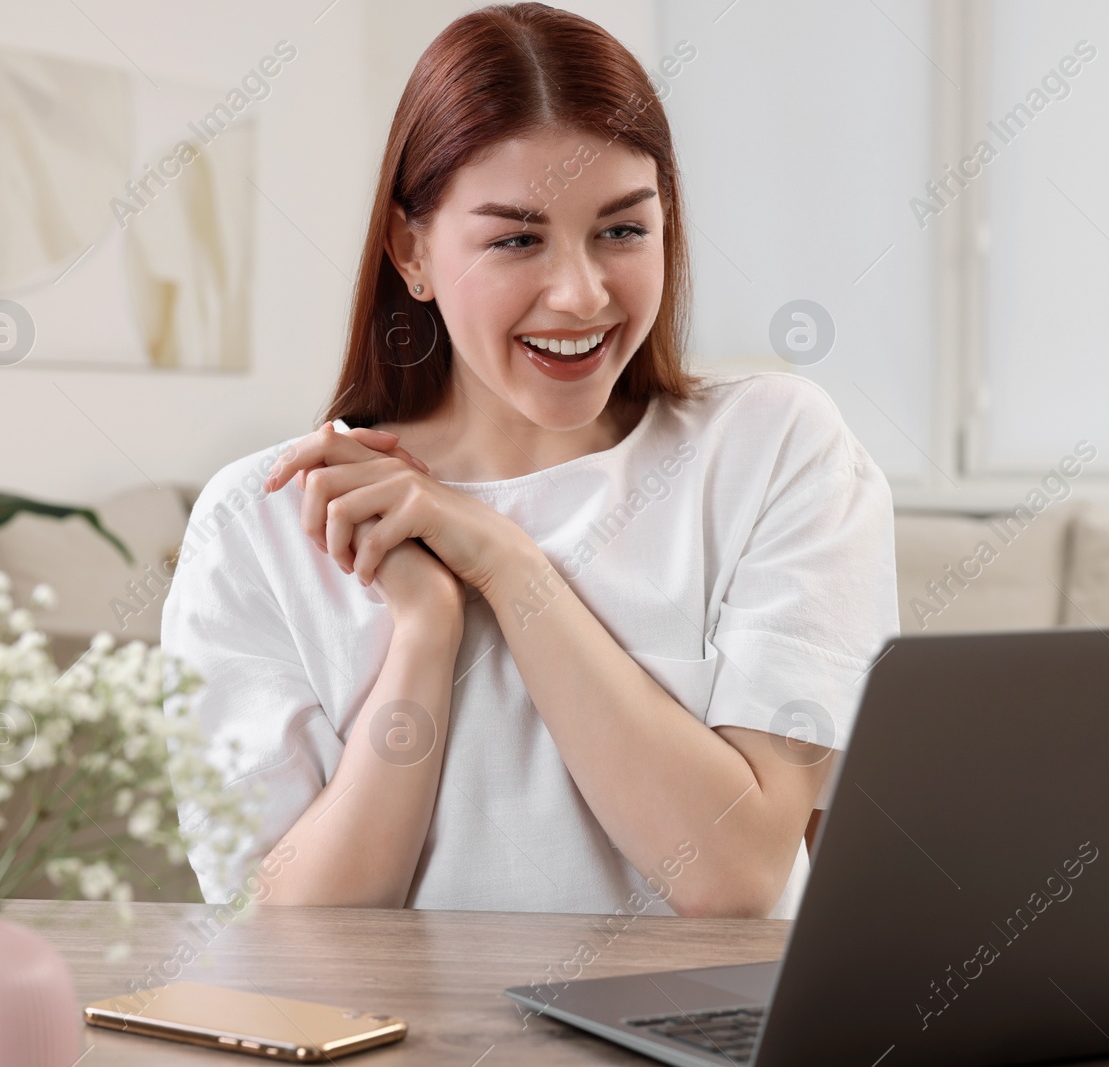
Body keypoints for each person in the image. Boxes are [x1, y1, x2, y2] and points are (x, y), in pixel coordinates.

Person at [161, 2, 898, 920]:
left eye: (623, 230)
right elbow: (287, 937)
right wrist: (427, 629)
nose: (580, 293)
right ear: (412, 250)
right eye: (516, 239)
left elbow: (735, 875)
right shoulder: (264, 516)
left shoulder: (775, 447)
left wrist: (506, 566)